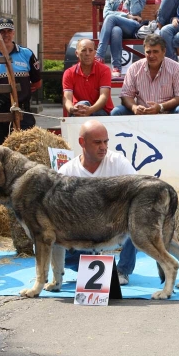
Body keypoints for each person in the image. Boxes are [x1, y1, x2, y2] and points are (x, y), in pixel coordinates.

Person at [58, 120, 137, 285]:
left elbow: (137, 193)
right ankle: (94, 269)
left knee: (137, 218)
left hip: (115, 224)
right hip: (83, 231)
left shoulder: (118, 162)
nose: (103, 147)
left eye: (106, 142)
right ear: (82, 142)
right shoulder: (67, 171)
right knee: (44, 244)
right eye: (97, 142)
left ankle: (122, 270)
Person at [0, 18, 42, 145]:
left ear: (14, 33)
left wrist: (24, 91)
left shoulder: (27, 54)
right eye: (2, 32)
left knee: (27, 148)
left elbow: (37, 81)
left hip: (22, 111)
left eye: (9, 31)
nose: (6, 35)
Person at [111, 34, 179, 115]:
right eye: (148, 52)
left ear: (164, 51)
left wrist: (160, 107)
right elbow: (126, 95)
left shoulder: (176, 68)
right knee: (117, 112)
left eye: (155, 52)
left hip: (167, 114)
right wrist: (134, 107)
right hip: (140, 114)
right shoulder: (134, 68)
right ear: (144, 52)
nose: (151, 55)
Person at [95, 0, 146, 79]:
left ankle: (99, 56)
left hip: (132, 28)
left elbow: (135, 11)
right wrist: (127, 16)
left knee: (111, 18)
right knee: (116, 30)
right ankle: (117, 68)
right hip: (118, 28)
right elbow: (105, 13)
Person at [62, 39, 114, 117]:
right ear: (77, 53)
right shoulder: (68, 73)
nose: (87, 54)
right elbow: (67, 98)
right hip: (79, 111)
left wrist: (90, 110)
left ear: (95, 53)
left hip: (101, 111)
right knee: (82, 106)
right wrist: (72, 109)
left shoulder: (104, 70)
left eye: (90, 50)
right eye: (83, 50)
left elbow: (104, 96)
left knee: (83, 105)